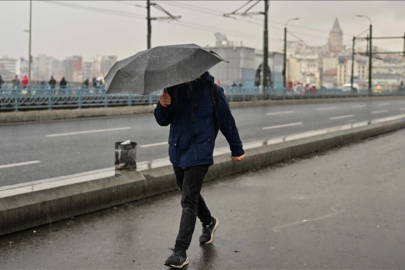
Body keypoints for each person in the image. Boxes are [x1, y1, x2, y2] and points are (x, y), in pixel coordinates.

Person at [154, 71, 245, 269]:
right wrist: (162, 105)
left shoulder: (212, 91)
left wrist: (236, 148)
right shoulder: (173, 89)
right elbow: (162, 120)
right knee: (188, 192)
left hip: (201, 149)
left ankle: (180, 251)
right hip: (178, 149)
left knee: (188, 199)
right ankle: (209, 221)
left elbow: (226, 121)